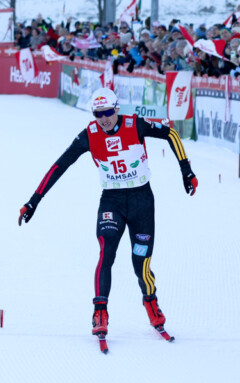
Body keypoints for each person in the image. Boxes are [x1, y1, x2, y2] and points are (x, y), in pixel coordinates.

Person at [18, 87, 198, 349]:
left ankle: (150, 302)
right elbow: (60, 165)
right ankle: (100, 312)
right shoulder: (89, 135)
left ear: (117, 109)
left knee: (141, 264)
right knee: (106, 252)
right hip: (112, 202)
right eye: (98, 114)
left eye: (107, 112)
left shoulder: (134, 125)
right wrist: (34, 200)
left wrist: (186, 170)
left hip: (141, 202)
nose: (103, 119)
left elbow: (171, 133)